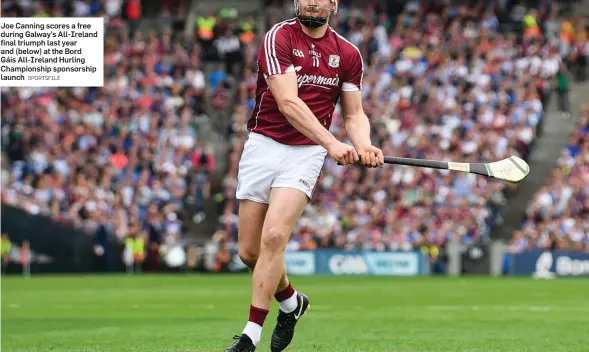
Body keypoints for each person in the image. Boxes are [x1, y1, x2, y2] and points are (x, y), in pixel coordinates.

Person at [224, 1, 384, 351]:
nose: (312, 1)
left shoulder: (348, 53)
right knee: (250, 253)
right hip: (264, 145)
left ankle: (250, 336)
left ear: (333, 4)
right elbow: (288, 102)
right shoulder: (277, 37)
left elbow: (354, 114)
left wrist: (365, 145)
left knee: (274, 238)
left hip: (306, 153)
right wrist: (332, 142)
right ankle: (292, 303)